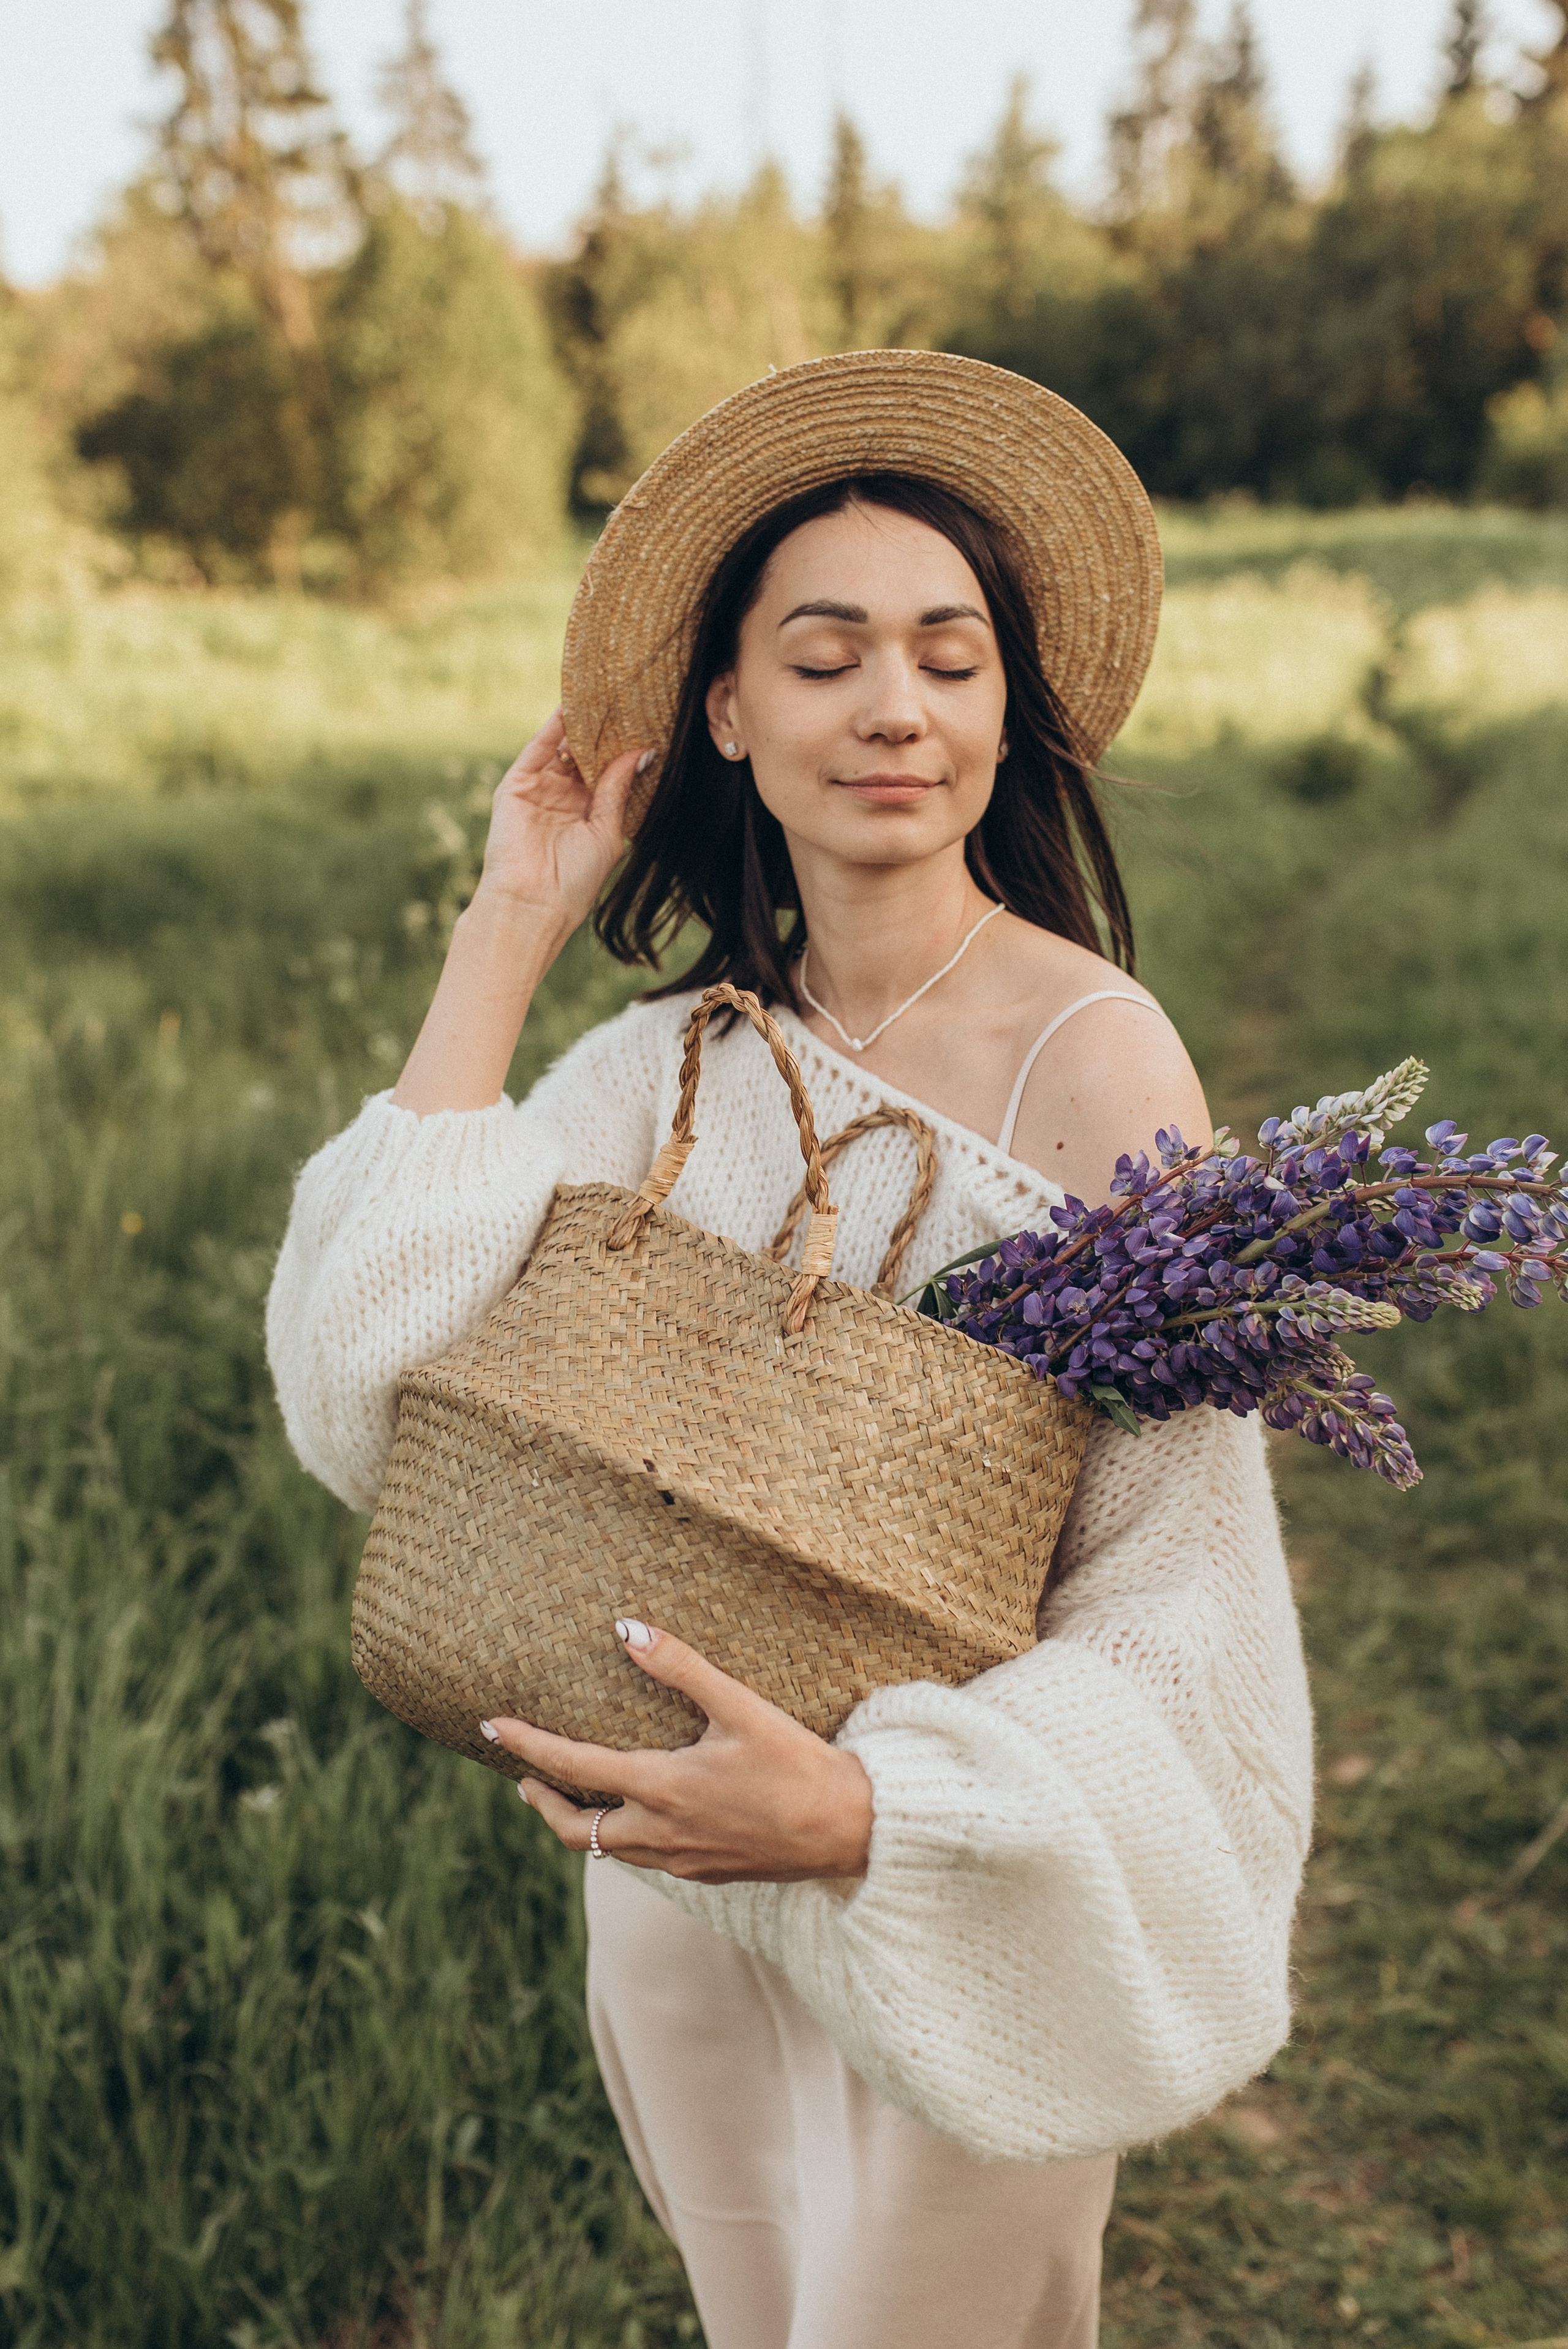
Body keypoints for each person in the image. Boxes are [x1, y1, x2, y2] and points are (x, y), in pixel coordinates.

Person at [267, 352, 1313, 2349]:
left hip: (940, 1887)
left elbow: (1184, 1590)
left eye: (948, 654)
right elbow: (366, 1382)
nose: (896, 708)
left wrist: (869, 1814)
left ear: (1011, 709)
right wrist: (509, 926)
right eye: (826, 659)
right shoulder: (652, 1069)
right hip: (671, 1888)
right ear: (730, 716)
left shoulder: (1097, 1061)